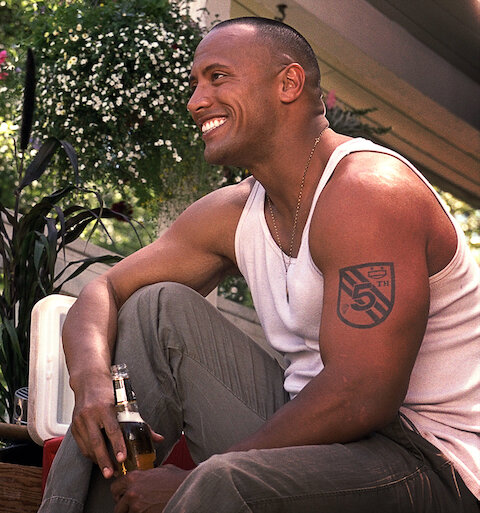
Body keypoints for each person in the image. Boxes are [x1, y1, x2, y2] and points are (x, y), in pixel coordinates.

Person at [39, 16, 480, 513]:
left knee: (223, 480)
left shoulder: (369, 192)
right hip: (314, 428)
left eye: (217, 77)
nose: (195, 101)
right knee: (155, 308)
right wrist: (91, 383)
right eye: (194, 84)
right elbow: (103, 292)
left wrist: (195, 479)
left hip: (429, 463)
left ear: (288, 84)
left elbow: (363, 395)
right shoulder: (234, 212)